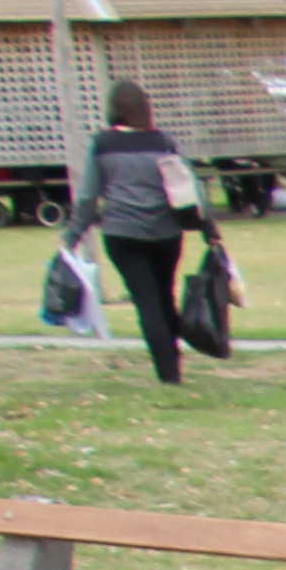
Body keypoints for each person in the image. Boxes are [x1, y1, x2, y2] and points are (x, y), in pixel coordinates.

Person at [57, 81, 223, 386]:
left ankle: (168, 374)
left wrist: (72, 236)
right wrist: (209, 230)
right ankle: (173, 364)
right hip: (166, 232)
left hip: (122, 232)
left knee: (147, 301)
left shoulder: (103, 145)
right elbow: (190, 190)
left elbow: (88, 196)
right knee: (164, 296)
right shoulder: (163, 142)